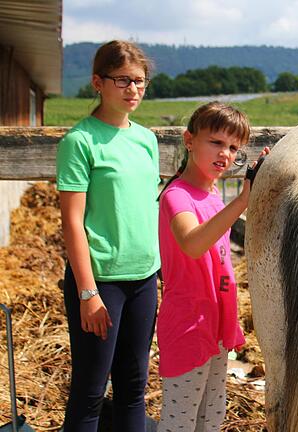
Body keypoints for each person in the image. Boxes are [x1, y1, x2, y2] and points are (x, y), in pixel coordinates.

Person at [56, 40, 159, 431]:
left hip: (144, 280)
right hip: (101, 284)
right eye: (123, 81)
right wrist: (87, 293)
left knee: (134, 388)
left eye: (140, 81)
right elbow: (72, 223)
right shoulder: (79, 142)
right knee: (90, 391)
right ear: (98, 82)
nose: (133, 90)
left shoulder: (146, 140)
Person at [156, 102, 268, 431]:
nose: (226, 154)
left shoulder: (213, 194)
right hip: (188, 326)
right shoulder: (177, 195)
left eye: (234, 147)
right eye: (216, 142)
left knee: (211, 417)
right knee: (180, 422)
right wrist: (242, 201)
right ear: (189, 140)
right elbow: (192, 244)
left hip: (217, 322)